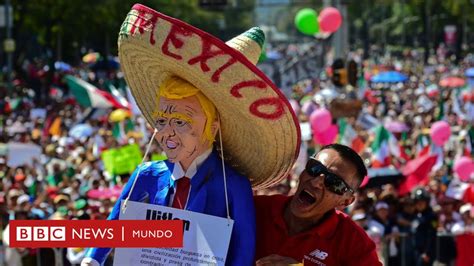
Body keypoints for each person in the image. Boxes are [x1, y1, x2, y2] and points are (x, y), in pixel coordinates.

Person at [82, 4, 300, 266]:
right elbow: (114, 224)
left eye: (181, 122)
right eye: (162, 120)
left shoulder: (233, 183)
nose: (167, 133)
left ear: (214, 126)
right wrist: (92, 260)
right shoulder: (147, 174)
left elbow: (244, 245)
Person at [255, 144, 382, 265]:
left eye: (334, 182)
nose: (316, 182)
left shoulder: (354, 243)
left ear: (346, 201)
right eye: (315, 168)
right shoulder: (256, 208)